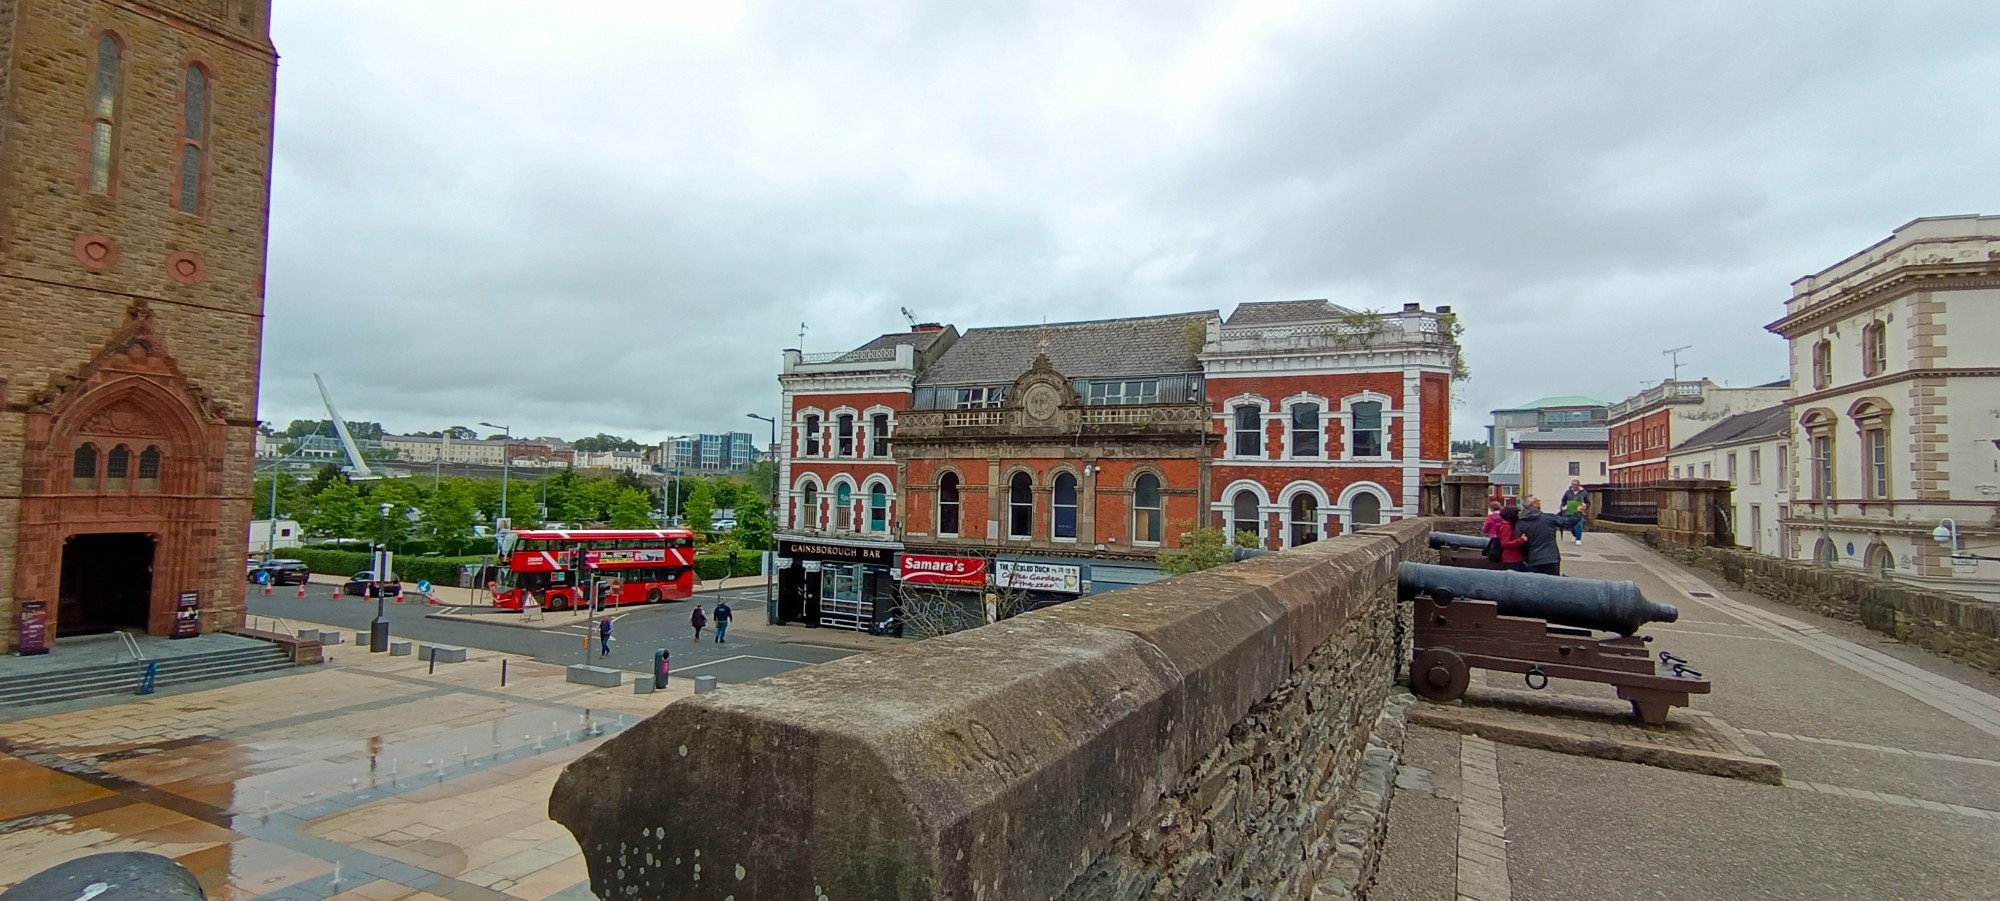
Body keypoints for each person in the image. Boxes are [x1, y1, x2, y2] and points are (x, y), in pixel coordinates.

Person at [1514, 496, 1581, 576]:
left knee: (1535, 584)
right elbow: (1568, 523)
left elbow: (1520, 542)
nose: (1540, 502)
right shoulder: (1548, 518)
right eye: (1538, 500)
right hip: (1551, 557)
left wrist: (1526, 556)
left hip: (1533, 558)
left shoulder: (1521, 522)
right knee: (1552, 584)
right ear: (1533, 504)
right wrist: (1579, 512)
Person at [1496, 505, 1529, 571]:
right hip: (1511, 559)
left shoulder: (1508, 525)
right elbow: (1505, 543)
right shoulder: (1506, 527)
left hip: (1515, 558)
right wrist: (1521, 540)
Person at [1560, 480, 1590, 545]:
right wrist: (1562, 506)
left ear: (1579, 485)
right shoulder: (1568, 492)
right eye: (1572, 484)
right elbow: (1563, 500)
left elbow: (1587, 502)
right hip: (1570, 510)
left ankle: (1578, 539)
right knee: (1570, 525)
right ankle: (1575, 535)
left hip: (1579, 511)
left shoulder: (1584, 492)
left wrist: (1585, 507)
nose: (1573, 486)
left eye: (1575, 485)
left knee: (1578, 524)